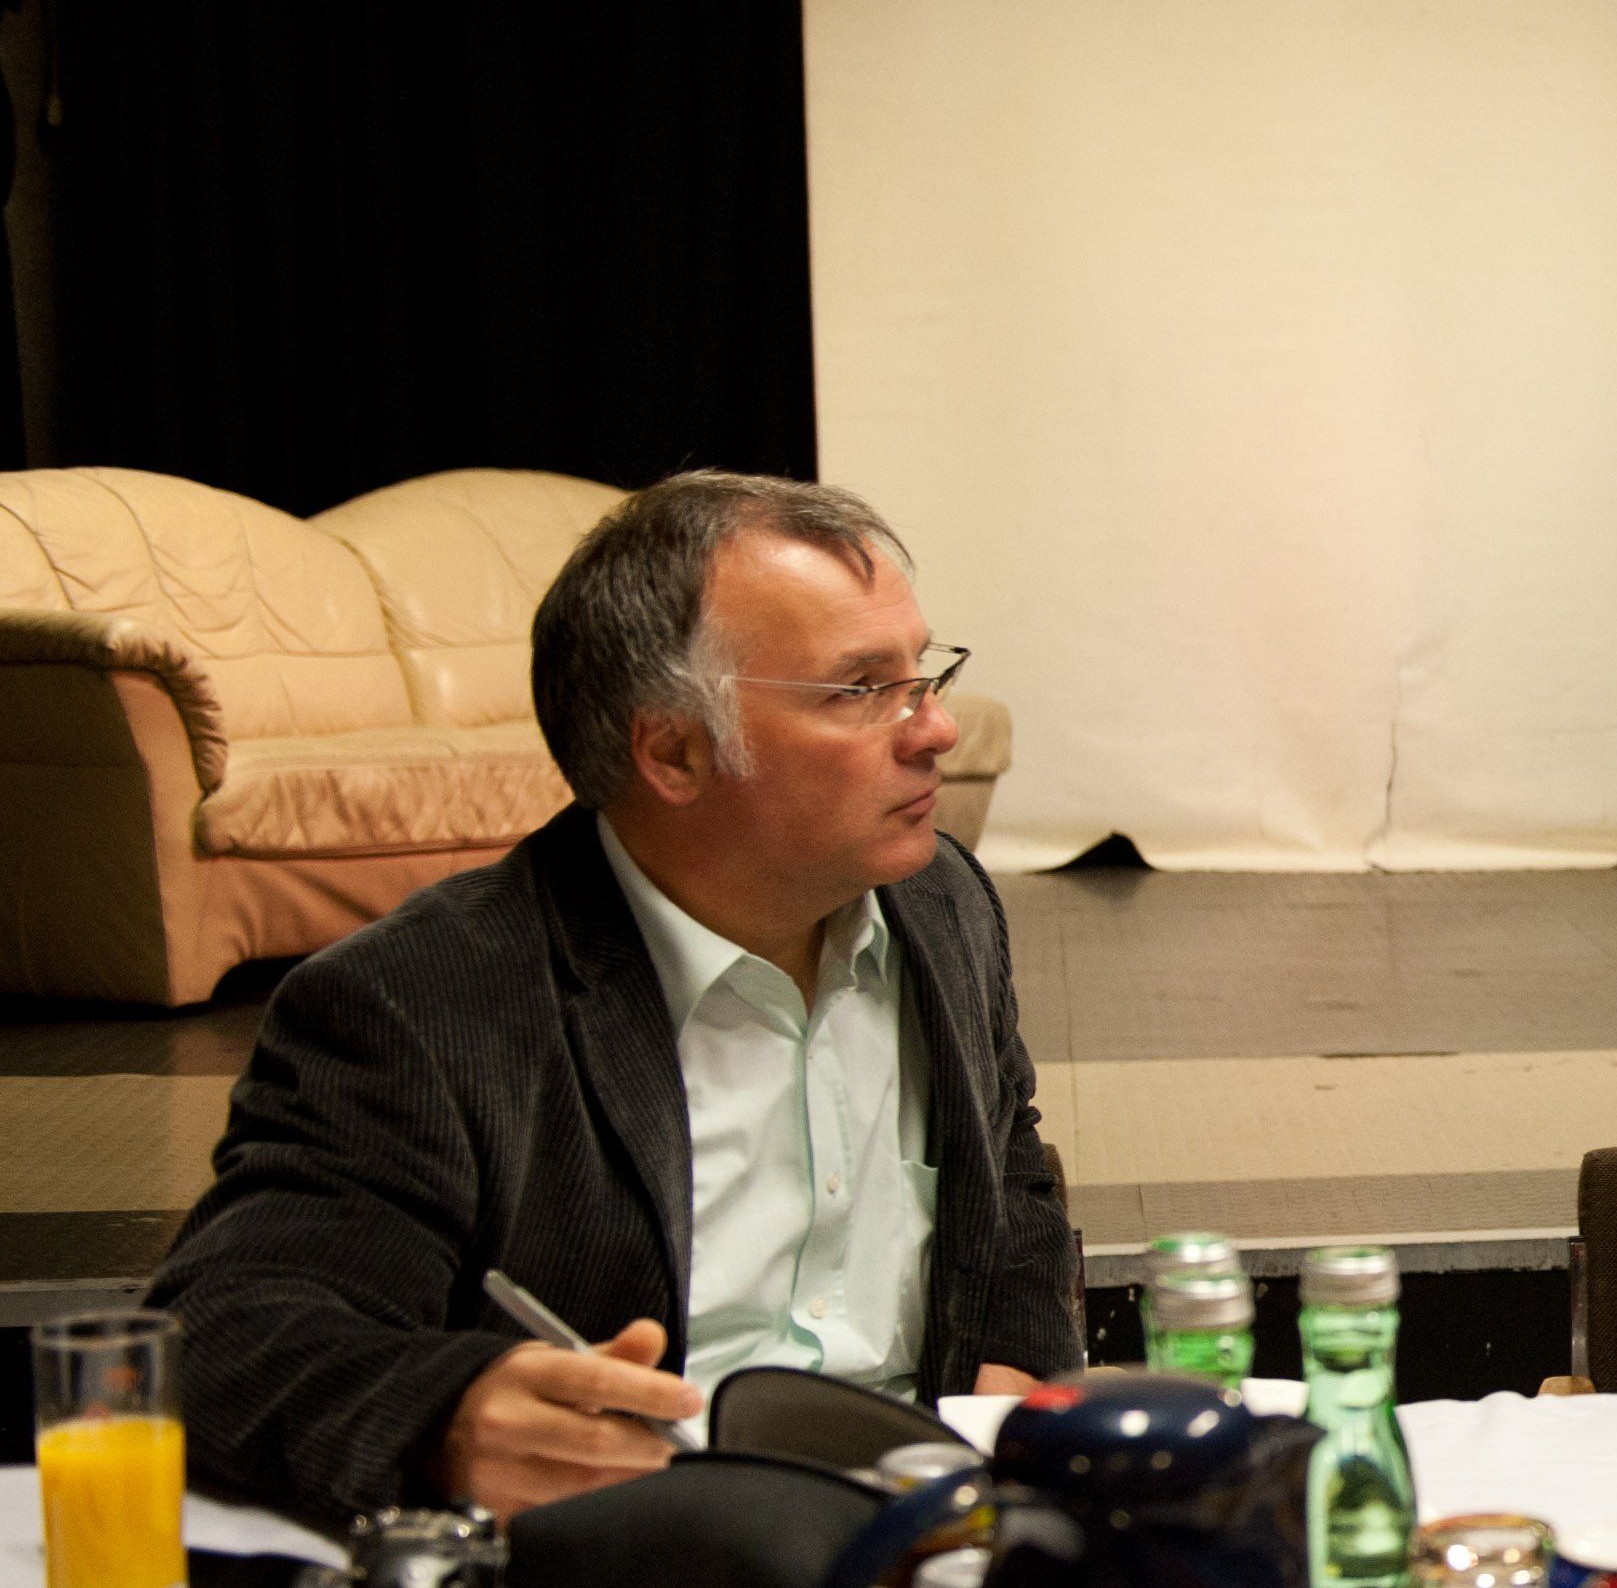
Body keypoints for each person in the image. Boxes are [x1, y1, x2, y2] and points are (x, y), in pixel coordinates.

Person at [149, 473, 1081, 1530]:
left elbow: (1007, 1166)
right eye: (862, 690)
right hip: (650, 1551)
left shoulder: (940, 904)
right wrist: (447, 1419)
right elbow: (225, 1332)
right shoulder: (425, 1004)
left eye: (924, 674)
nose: (936, 730)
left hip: (931, 1538)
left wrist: (1011, 1372)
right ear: (672, 750)